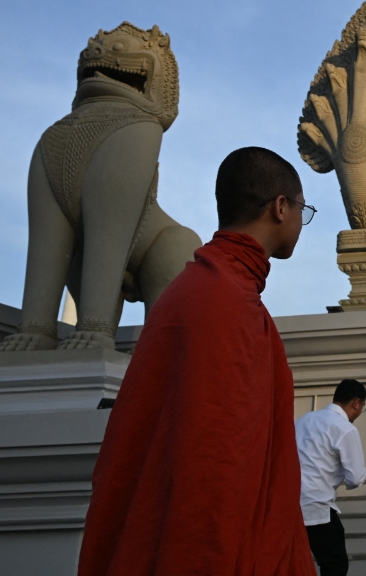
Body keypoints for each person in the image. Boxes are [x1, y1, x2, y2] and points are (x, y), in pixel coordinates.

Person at [78, 146, 316, 576]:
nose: (302, 221)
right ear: (281, 208)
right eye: (303, 209)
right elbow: (213, 475)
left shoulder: (207, 289)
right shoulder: (223, 302)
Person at [296, 379, 366, 576]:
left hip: (288, 504)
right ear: (356, 403)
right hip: (317, 506)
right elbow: (355, 478)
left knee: (292, 562)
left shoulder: (304, 420)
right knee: (335, 564)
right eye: (363, 407)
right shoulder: (345, 429)